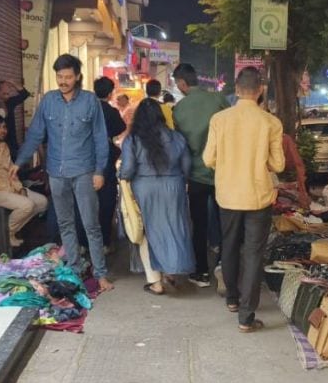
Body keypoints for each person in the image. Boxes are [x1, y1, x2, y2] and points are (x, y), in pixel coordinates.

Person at [15, 54, 114, 292]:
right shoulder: (49, 101)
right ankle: (74, 269)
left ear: (77, 77)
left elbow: (101, 138)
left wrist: (100, 171)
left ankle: (100, 274)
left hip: (84, 171)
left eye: (68, 77)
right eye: (59, 76)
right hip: (56, 172)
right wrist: (19, 162)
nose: (63, 81)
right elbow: (36, 133)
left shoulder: (90, 101)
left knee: (91, 224)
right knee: (65, 223)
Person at [203, 66, 285, 332]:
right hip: (258, 196)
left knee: (229, 245)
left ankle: (232, 300)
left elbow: (208, 159)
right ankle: (247, 317)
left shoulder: (219, 119)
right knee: (253, 253)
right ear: (260, 90)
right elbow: (279, 164)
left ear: (236, 89)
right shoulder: (270, 123)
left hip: (227, 195)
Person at [119, 99, 195, 295]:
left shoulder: (133, 139)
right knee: (174, 229)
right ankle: (171, 272)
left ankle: (155, 282)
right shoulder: (177, 137)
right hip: (174, 186)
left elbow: (127, 169)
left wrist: (123, 179)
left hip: (144, 188)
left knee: (147, 233)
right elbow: (187, 166)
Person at [172, 62, 230, 287]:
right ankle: (223, 266)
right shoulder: (217, 99)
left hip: (195, 174)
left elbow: (179, 145)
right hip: (221, 172)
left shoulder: (179, 109)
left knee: (199, 222)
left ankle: (201, 272)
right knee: (225, 221)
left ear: (182, 83)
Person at [72, 77, 126, 252]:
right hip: (104, 161)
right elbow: (120, 128)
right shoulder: (110, 112)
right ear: (110, 93)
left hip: (84, 158)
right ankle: (103, 242)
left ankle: (82, 242)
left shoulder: (84, 108)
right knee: (106, 200)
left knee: (82, 200)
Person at [0, 115, 48, 247]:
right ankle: (5, 234)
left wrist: (20, 188)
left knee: (42, 202)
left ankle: (7, 233)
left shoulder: (4, 146)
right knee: (26, 205)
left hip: (8, 187)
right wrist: (13, 191)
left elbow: (11, 170)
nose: (3, 130)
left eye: (4, 127)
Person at [0, 80, 32, 159]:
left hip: (11, 143)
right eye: (4, 93)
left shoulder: (10, 102)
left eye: (8, 93)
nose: (7, 96)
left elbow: (25, 94)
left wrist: (12, 83)